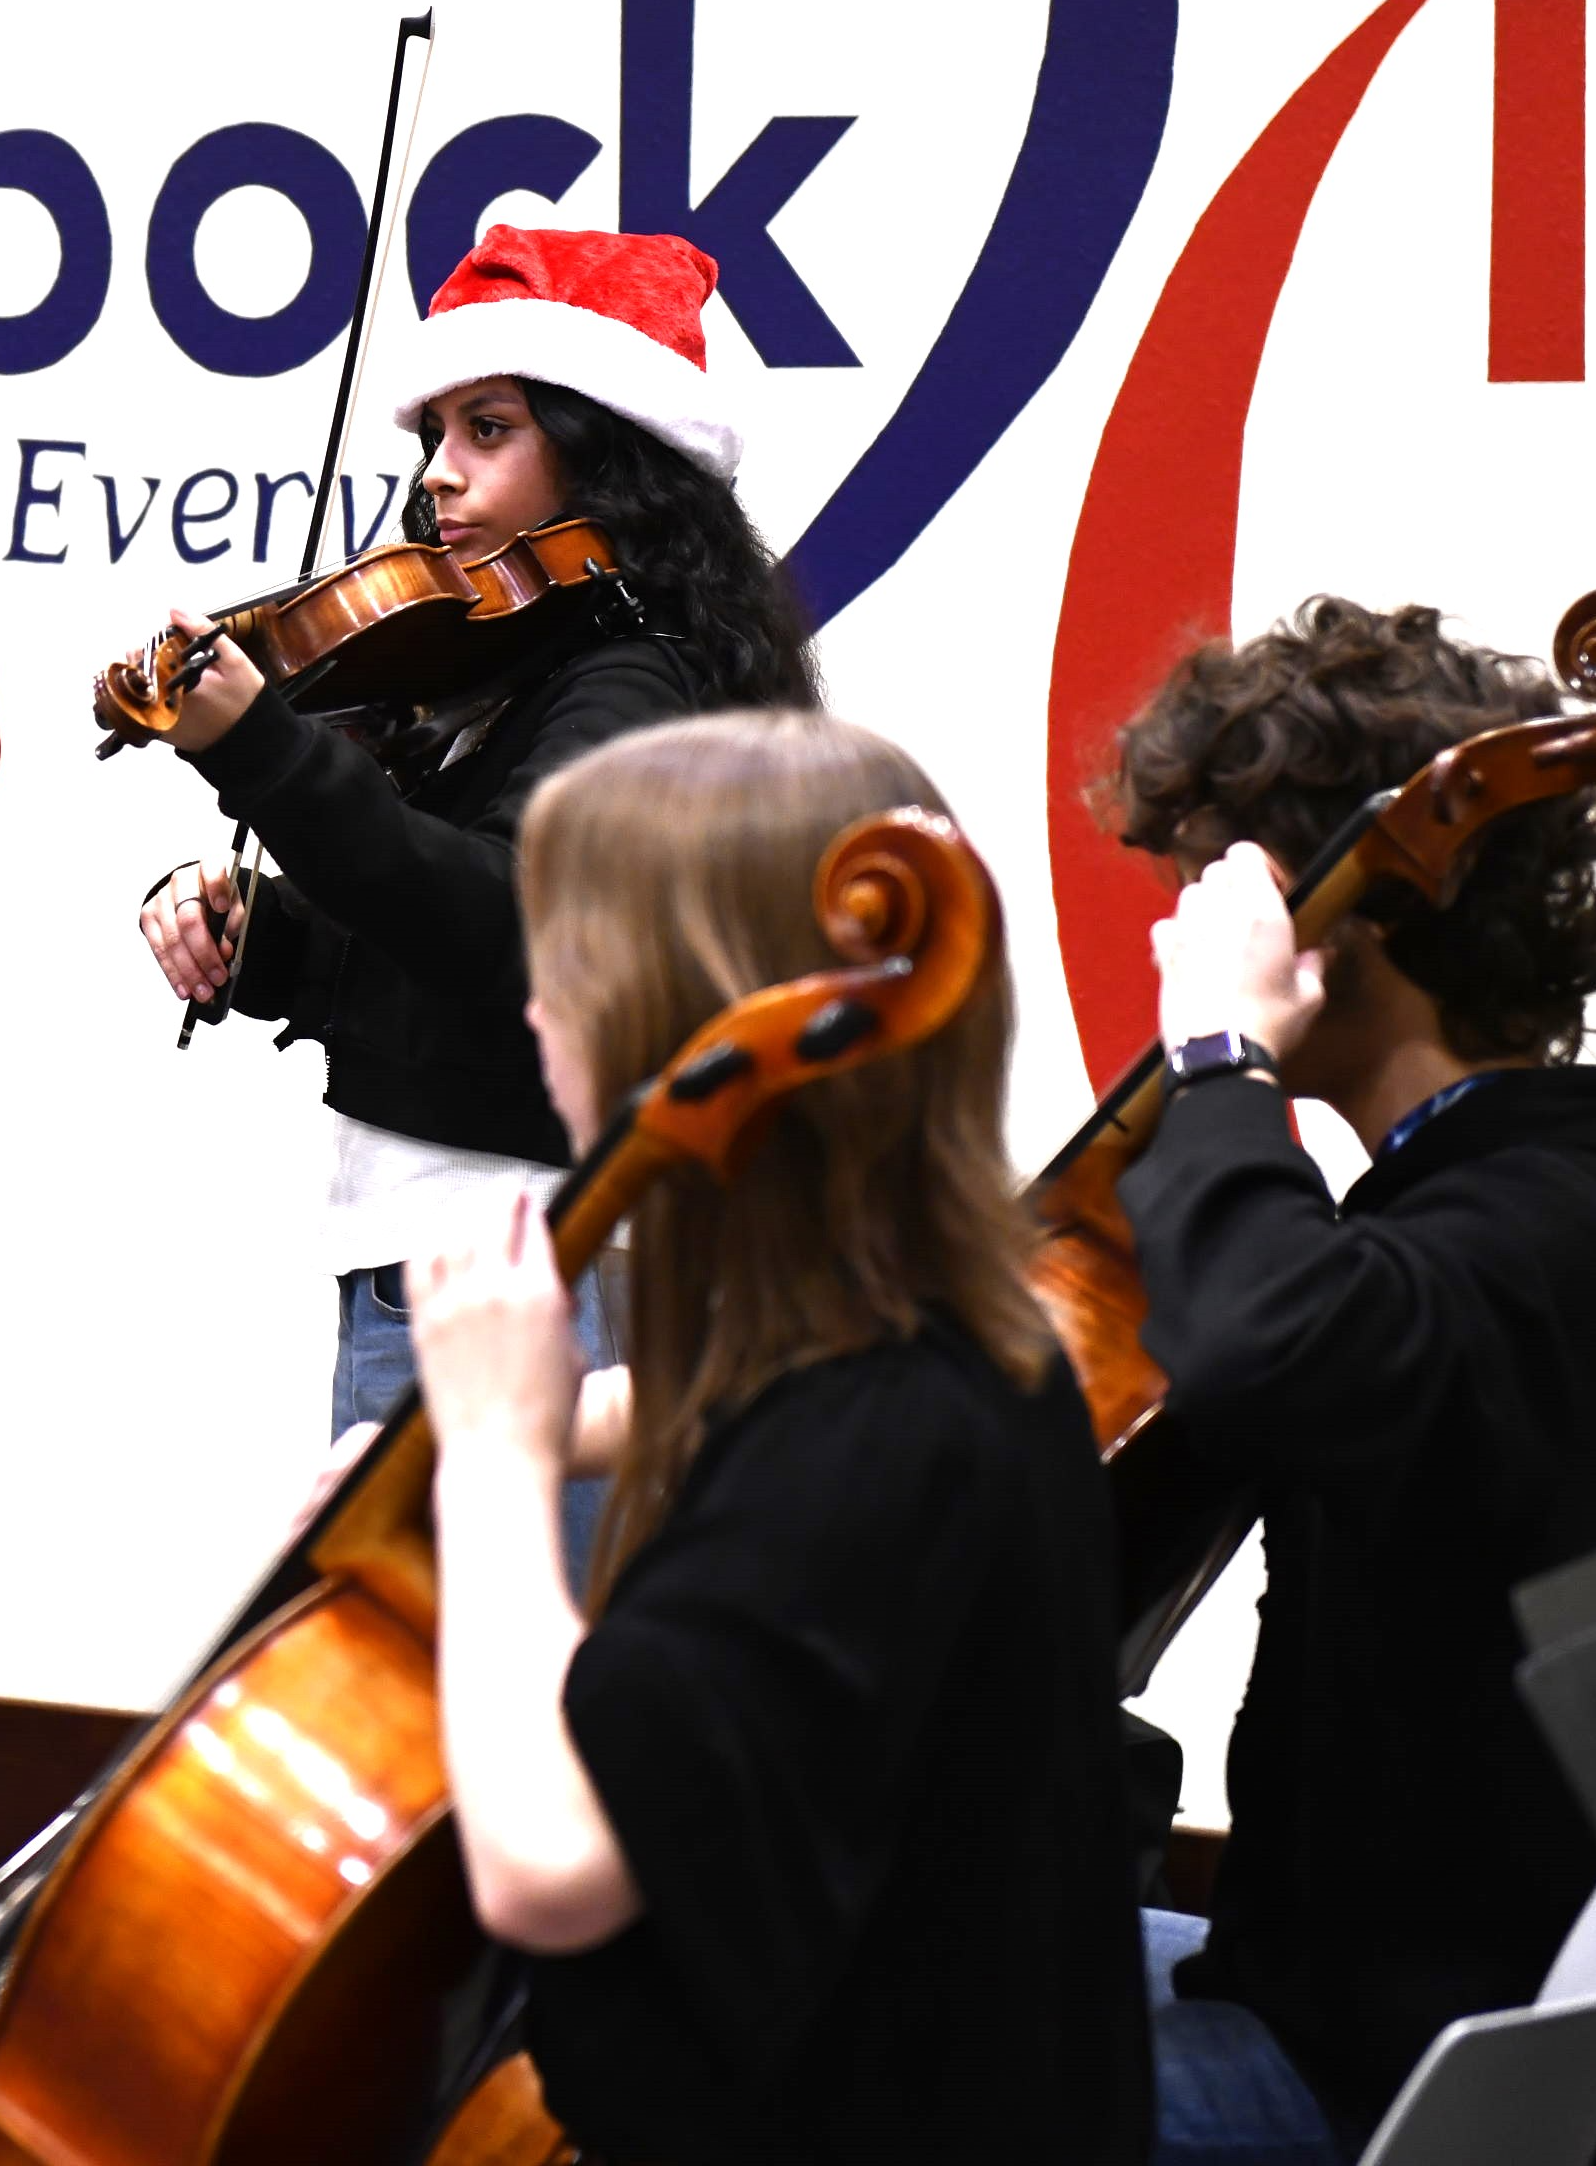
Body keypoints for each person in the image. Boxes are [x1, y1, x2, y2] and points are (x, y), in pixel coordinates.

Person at [403, 708, 1151, 2162]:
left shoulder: (873, 1438)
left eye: (562, 963)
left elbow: (553, 1867)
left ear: (679, 1008)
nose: (536, 1012)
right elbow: (746, 1428)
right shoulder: (943, 1343)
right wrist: (545, 1431)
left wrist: (492, 1462)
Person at [132, 225, 818, 1483]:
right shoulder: (503, 672)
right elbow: (439, 945)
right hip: (454, 1253)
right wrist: (267, 943)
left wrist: (265, 754)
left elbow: (513, 926)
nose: (438, 476)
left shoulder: (636, 680)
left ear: (609, 455)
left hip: (526, 1263)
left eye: (487, 430)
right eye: (434, 436)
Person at [1102, 596, 1596, 2159]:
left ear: (1350, 926)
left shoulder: (1534, 1224)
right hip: (1303, 1991)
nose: (1184, 935)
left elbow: (1264, 1350)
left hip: (1384, 2074)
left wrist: (1219, 1067)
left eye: (1219, 894)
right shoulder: (1430, 1212)